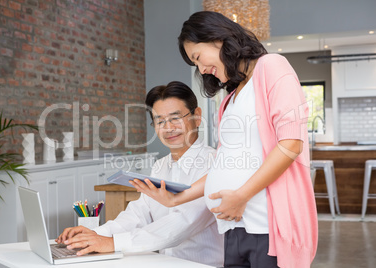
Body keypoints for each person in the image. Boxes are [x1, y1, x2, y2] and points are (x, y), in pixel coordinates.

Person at [130, 11, 318, 268]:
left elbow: (291, 144)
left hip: (266, 226)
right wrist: (177, 199)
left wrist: (242, 195)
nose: (200, 69)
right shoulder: (231, 97)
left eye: (197, 58)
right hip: (232, 227)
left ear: (217, 38)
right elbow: (224, 165)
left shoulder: (271, 67)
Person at [56, 81, 224, 267]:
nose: (168, 128)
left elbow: (183, 223)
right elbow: (138, 214)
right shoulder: (160, 166)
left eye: (175, 118)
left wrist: (113, 243)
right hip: (163, 262)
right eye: (160, 121)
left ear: (197, 116)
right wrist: (96, 234)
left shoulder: (214, 163)